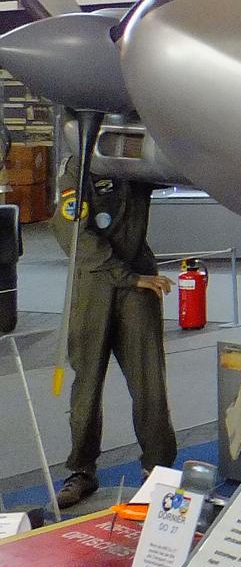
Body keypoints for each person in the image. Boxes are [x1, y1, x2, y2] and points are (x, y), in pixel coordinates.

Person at [50, 154, 175, 510]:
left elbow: (173, 169)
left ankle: (158, 471)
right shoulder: (79, 162)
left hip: (138, 287)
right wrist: (128, 276)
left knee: (149, 383)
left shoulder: (135, 159)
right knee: (86, 385)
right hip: (95, 286)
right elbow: (73, 233)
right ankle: (82, 471)